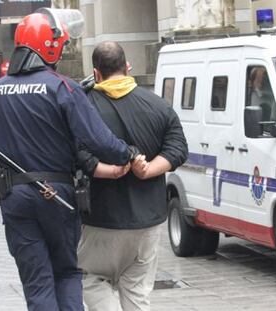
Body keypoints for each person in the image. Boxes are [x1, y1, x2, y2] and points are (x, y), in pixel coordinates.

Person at [0, 12, 139, 311]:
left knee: (37, 280)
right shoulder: (62, 87)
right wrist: (128, 153)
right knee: (67, 273)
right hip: (55, 196)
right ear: (49, 47)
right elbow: (97, 140)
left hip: (13, 195)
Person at [77, 41, 188, 311]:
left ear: (96, 73)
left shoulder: (84, 106)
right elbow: (178, 149)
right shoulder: (158, 105)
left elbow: (77, 153)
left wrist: (111, 171)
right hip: (148, 222)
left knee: (92, 279)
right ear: (127, 67)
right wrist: (148, 169)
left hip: (101, 220)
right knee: (137, 291)